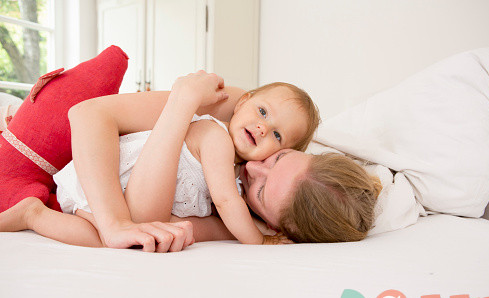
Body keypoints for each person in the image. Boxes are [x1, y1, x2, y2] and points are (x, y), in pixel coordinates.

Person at [0, 71, 380, 251]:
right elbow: (87, 115)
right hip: (98, 166)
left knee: (106, 242)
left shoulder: (241, 198)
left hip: (98, 203)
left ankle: (32, 213)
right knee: (125, 230)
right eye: (279, 158)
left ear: (272, 221)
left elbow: (191, 226)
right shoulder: (216, 130)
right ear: (244, 101)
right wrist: (183, 100)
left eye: (262, 191)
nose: (253, 168)